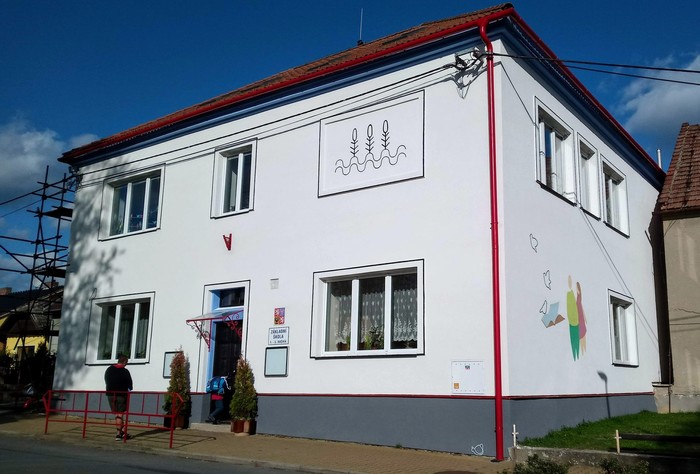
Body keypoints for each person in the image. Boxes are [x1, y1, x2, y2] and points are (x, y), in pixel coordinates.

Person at [105, 354, 133, 440]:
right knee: (120, 414)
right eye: (126, 363)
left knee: (117, 414)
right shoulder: (125, 371)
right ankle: (118, 434)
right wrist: (129, 390)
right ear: (124, 362)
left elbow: (106, 380)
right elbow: (130, 385)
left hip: (110, 394)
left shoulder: (109, 369)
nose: (126, 364)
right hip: (121, 394)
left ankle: (123, 432)